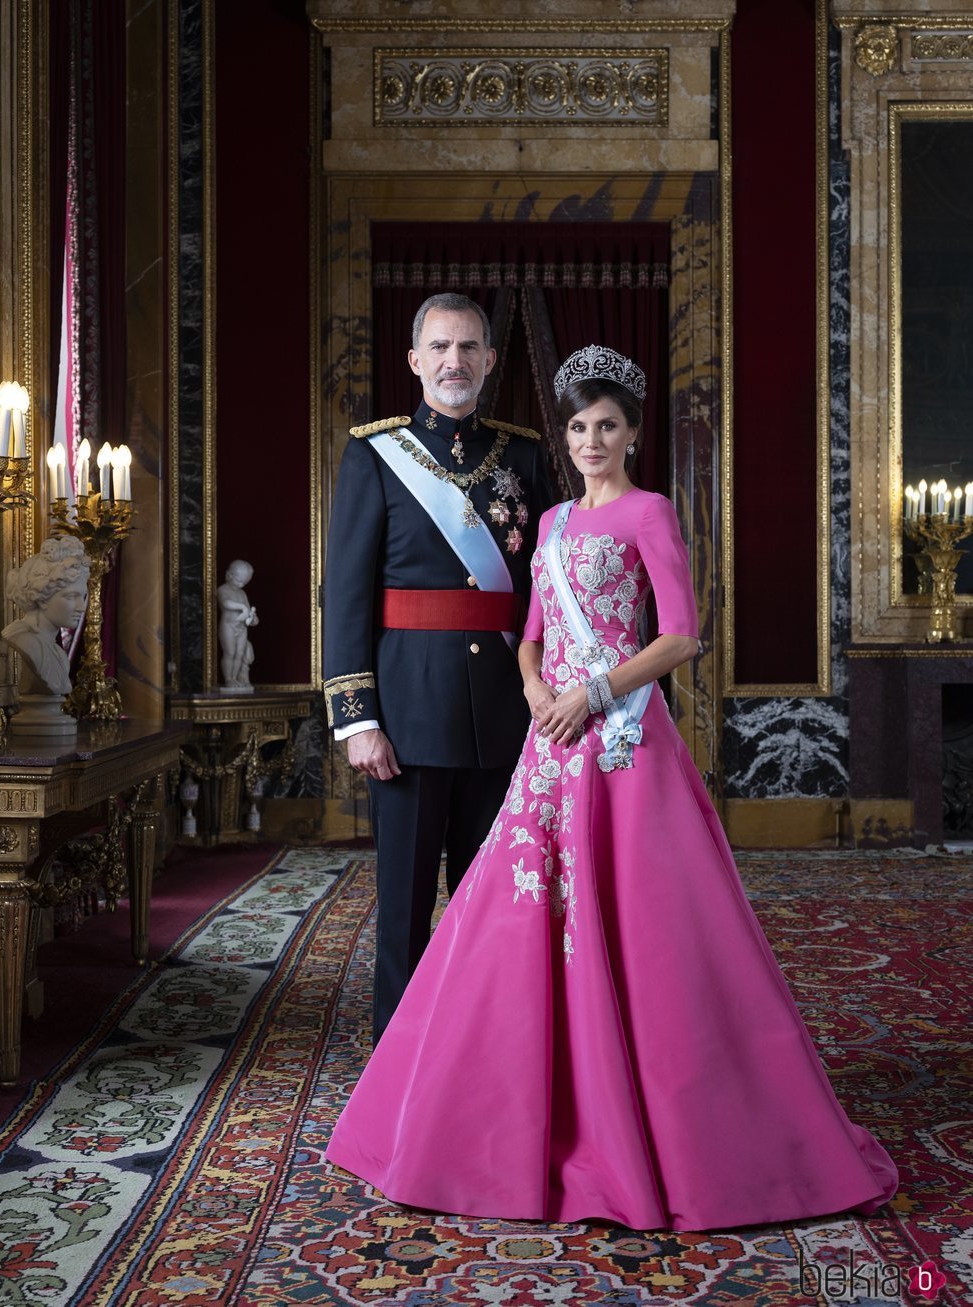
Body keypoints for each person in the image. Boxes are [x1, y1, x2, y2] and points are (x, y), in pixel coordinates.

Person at [325, 344, 898, 1231]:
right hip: (550, 743)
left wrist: (593, 694)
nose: (592, 440)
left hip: (623, 744)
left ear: (632, 433)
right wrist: (534, 691)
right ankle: (510, 1107)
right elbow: (527, 631)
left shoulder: (650, 513)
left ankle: (658, 1107)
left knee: (639, 924)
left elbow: (683, 637)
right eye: (580, 428)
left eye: (608, 427)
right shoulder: (550, 523)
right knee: (515, 919)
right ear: (566, 434)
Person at [322, 292, 554, 1044]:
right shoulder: (374, 454)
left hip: (506, 716)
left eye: (469, 348)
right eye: (440, 348)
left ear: (489, 361)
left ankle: (491, 1052)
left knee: (500, 903)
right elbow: (347, 595)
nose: (454, 362)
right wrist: (358, 719)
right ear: (416, 360)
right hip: (408, 719)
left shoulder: (523, 456)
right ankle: (402, 1062)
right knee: (405, 907)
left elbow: (546, 593)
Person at [2, 535, 89, 696]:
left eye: (82, 597)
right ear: (41, 598)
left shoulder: (58, 653)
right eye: (70, 597)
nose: (82, 607)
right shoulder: (24, 642)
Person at [217, 559, 258, 689]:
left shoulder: (242, 593)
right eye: (239, 580)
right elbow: (226, 603)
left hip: (242, 628)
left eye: (245, 582)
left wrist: (252, 618)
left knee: (240, 653)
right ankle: (229, 679)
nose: (242, 584)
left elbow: (248, 608)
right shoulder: (222, 589)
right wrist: (242, 607)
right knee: (230, 652)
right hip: (228, 626)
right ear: (229, 575)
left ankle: (235, 679)